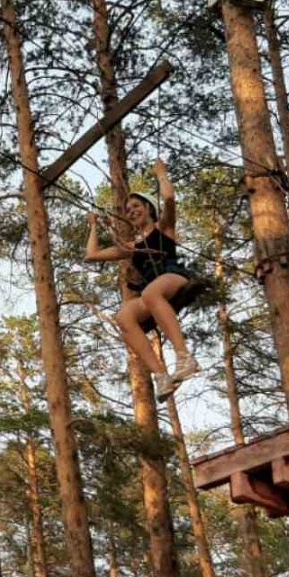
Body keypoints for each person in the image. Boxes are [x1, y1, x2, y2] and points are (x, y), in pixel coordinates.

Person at [86, 159, 201, 401]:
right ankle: (161, 375)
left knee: (150, 293)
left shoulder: (164, 228)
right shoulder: (131, 246)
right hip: (154, 292)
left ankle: (184, 356)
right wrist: (94, 226)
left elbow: (169, 199)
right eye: (129, 210)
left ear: (149, 208)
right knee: (123, 316)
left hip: (173, 277)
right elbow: (92, 255)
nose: (133, 211)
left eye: (137, 205)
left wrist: (161, 173)